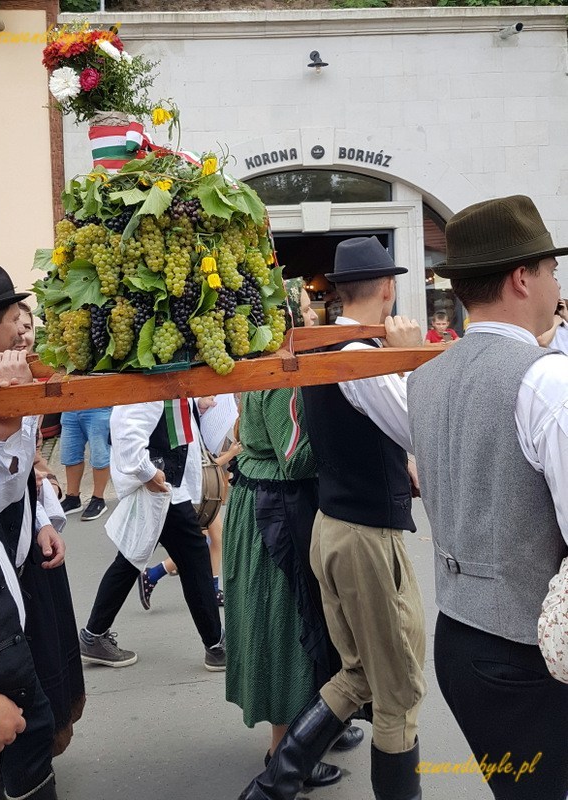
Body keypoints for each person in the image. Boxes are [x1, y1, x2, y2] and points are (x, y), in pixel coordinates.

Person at [239, 238, 426, 800]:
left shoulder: (334, 346)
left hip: (338, 526)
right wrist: (409, 358)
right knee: (399, 694)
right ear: (388, 287)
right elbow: (420, 428)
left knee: (359, 673)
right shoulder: (361, 355)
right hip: (364, 536)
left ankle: (274, 785)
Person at [406, 195, 568, 800]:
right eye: (552, 268)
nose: (557, 280)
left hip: (461, 641)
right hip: (534, 651)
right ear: (522, 277)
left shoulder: (426, 378)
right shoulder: (545, 378)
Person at [223, 279, 364, 791]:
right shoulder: (283, 374)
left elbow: (245, 436)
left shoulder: (254, 362)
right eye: (302, 310)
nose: (309, 317)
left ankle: (315, 724)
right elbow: (295, 453)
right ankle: (285, 752)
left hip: (255, 500)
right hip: (278, 509)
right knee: (289, 624)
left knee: (279, 619)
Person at [0, 266, 59, 800]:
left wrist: (12, 421)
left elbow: (4, 492)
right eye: (10, 323)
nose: (20, 336)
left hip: (3, 607)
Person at [79, 397, 226, 671]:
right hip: (160, 485)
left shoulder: (165, 373)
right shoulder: (151, 374)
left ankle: (93, 634)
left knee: (129, 559)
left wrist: (195, 402)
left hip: (164, 483)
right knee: (194, 559)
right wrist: (146, 472)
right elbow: (126, 426)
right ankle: (216, 645)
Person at [13, 301, 86, 756]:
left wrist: (43, 492)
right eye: (17, 326)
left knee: (47, 640)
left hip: (30, 526)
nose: (25, 336)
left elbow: (29, 463)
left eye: (29, 328)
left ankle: (40, 742)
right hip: (1, 540)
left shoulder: (26, 378)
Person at [138, 437, 243, 609]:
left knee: (216, 539)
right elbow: (205, 467)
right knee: (197, 547)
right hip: (195, 493)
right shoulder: (188, 427)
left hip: (201, 492)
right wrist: (231, 453)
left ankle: (213, 588)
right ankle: (153, 575)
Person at [59, 406, 111, 522]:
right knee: (70, 454)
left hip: (99, 406)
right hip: (70, 407)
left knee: (99, 455)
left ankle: (98, 499)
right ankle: (72, 498)